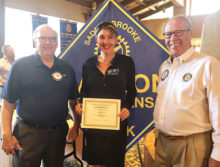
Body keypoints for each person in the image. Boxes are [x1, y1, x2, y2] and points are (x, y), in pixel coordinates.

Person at [1, 24, 80, 167]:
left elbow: (73, 101)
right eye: (42, 38)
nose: (47, 42)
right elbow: (8, 103)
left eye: (52, 39)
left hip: (57, 134)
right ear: (34, 41)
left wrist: (76, 124)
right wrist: (6, 135)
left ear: (57, 42)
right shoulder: (21, 66)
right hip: (28, 134)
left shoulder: (67, 68)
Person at [153, 15, 220, 167]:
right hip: (162, 144)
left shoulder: (207, 64)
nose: (172, 38)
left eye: (179, 32)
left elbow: (218, 111)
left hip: (192, 146)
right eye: (168, 34)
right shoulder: (165, 66)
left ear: (189, 33)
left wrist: (218, 153)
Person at [75, 22, 137, 167]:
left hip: (116, 123)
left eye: (110, 37)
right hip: (93, 125)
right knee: (94, 163)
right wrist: (81, 103)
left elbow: (132, 91)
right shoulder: (88, 64)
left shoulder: (126, 62)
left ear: (116, 40)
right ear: (96, 40)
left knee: (114, 163)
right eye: (102, 37)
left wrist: (127, 107)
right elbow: (84, 90)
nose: (106, 41)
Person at [0, 45, 15, 167]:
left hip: (17, 93)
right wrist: (4, 81)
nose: (12, 53)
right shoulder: (1, 63)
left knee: (15, 116)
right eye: (10, 52)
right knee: (6, 113)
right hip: (5, 93)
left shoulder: (15, 62)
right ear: (5, 53)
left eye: (13, 51)